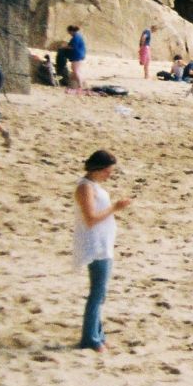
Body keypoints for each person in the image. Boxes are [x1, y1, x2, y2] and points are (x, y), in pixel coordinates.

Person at [74, 150, 130, 351]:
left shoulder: (93, 186)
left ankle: (97, 334)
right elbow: (90, 218)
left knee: (100, 293)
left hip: (103, 243)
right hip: (94, 244)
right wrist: (115, 207)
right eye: (108, 170)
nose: (110, 175)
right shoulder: (85, 188)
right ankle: (90, 338)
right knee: (97, 293)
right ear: (99, 168)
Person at [64, 24, 87, 91]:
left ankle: (80, 86)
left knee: (76, 71)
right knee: (76, 71)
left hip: (77, 56)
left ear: (71, 31)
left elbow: (72, 47)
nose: (68, 33)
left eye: (69, 32)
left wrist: (63, 47)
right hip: (79, 55)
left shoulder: (76, 37)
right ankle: (77, 85)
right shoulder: (77, 36)